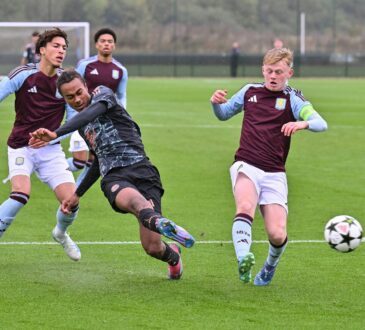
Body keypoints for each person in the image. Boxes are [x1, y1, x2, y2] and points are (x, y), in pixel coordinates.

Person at [29, 69, 195, 280]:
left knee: (152, 247)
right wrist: (77, 193)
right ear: (64, 99)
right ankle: (159, 222)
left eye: (79, 92)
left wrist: (57, 133)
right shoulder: (82, 128)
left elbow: (91, 112)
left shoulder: (102, 94)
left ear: (86, 87)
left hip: (143, 171)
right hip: (114, 177)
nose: (77, 99)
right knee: (137, 203)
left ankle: (173, 256)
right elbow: (98, 160)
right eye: (70, 97)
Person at [210, 48, 327, 286]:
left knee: (277, 233)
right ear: (263, 70)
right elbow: (223, 114)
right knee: (245, 205)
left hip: (274, 173)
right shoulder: (249, 91)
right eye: (270, 71)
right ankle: (244, 259)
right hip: (247, 163)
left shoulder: (293, 98)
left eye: (279, 72)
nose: (273, 76)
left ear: (289, 73)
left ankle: (269, 267)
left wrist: (302, 123)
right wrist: (215, 103)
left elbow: (320, 123)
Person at [0, 28, 81, 261]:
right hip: (20, 146)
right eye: (56, 46)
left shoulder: (65, 81)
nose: (61, 51)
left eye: (64, 48)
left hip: (51, 150)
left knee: (72, 202)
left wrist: (52, 136)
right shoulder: (23, 74)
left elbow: (72, 121)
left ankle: (61, 233)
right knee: (20, 194)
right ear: (42, 50)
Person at [67, 28, 128, 186]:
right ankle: (48, 168)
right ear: (96, 45)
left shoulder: (121, 70)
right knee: (79, 161)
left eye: (110, 41)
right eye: (103, 41)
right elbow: (72, 89)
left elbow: (121, 96)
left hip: (104, 122)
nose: (106, 44)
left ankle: (76, 190)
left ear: (114, 45)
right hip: (82, 118)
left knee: (94, 159)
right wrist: (73, 115)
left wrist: (122, 115)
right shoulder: (85, 65)